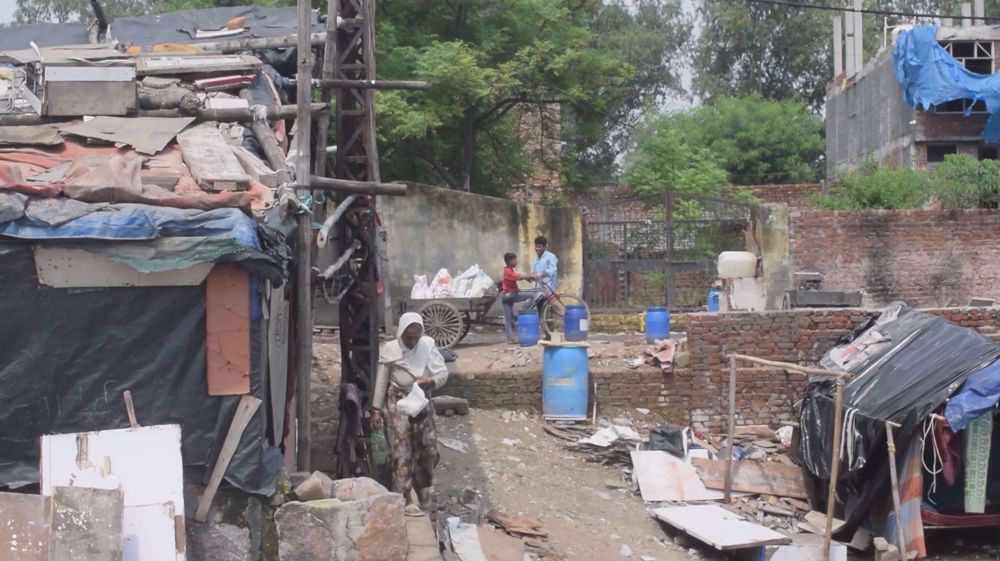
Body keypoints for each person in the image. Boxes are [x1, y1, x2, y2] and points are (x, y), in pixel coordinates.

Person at [370, 312, 448, 518]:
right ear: (401, 334)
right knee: (401, 448)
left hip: (421, 400)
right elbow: (381, 380)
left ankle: (425, 494)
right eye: (408, 337)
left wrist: (431, 382)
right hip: (398, 403)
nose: (413, 342)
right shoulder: (391, 350)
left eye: (416, 337)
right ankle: (405, 496)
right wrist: (376, 409)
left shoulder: (427, 346)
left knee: (427, 447)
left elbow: (442, 373)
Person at [500, 252, 535, 344]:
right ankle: (521, 313)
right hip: (510, 295)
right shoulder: (508, 271)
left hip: (506, 295)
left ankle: (510, 339)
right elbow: (519, 276)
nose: (516, 261)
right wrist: (530, 276)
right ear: (510, 261)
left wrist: (527, 278)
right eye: (514, 259)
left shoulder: (510, 270)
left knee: (508, 318)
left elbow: (520, 275)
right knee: (531, 296)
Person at [531, 235, 559, 308]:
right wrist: (531, 277)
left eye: (539, 247)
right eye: (536, 247)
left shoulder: (550, 256)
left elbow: (553, 269)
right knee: (539, 306)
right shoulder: (535, 259)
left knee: (548, 306)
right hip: (539, 287)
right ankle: (542, 319)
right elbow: (533, 273)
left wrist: (545, 272)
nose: (537, 249)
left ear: (544, 247)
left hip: (548, 285)